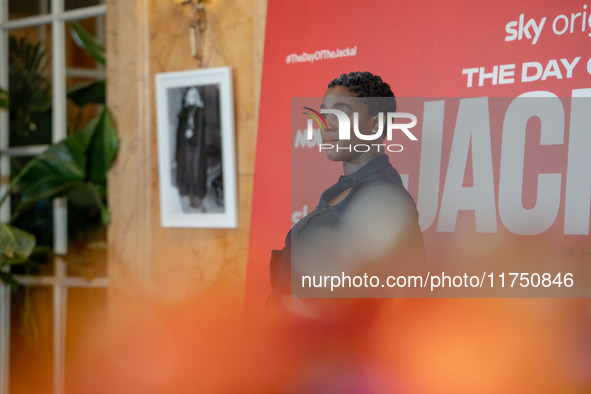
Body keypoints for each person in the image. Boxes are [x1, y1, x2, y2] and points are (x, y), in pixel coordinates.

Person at [268, 71, 425, 317]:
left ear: (374, 124)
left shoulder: (386, 202)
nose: (326, 125)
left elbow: (395, 309)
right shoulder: (343, 191)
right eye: (325, 114)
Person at [175, 86, 208, 211]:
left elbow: (200, 134)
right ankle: (187, 194)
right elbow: (181, 131)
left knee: (195, 172)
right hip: (185, 148)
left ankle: (197, 199)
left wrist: (191, 135)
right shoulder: (184, 111)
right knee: (186, 170)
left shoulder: (200, 112)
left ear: (196, 97)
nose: (190, 98)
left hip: (196, 149)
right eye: (188, 96)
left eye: (193, 96)